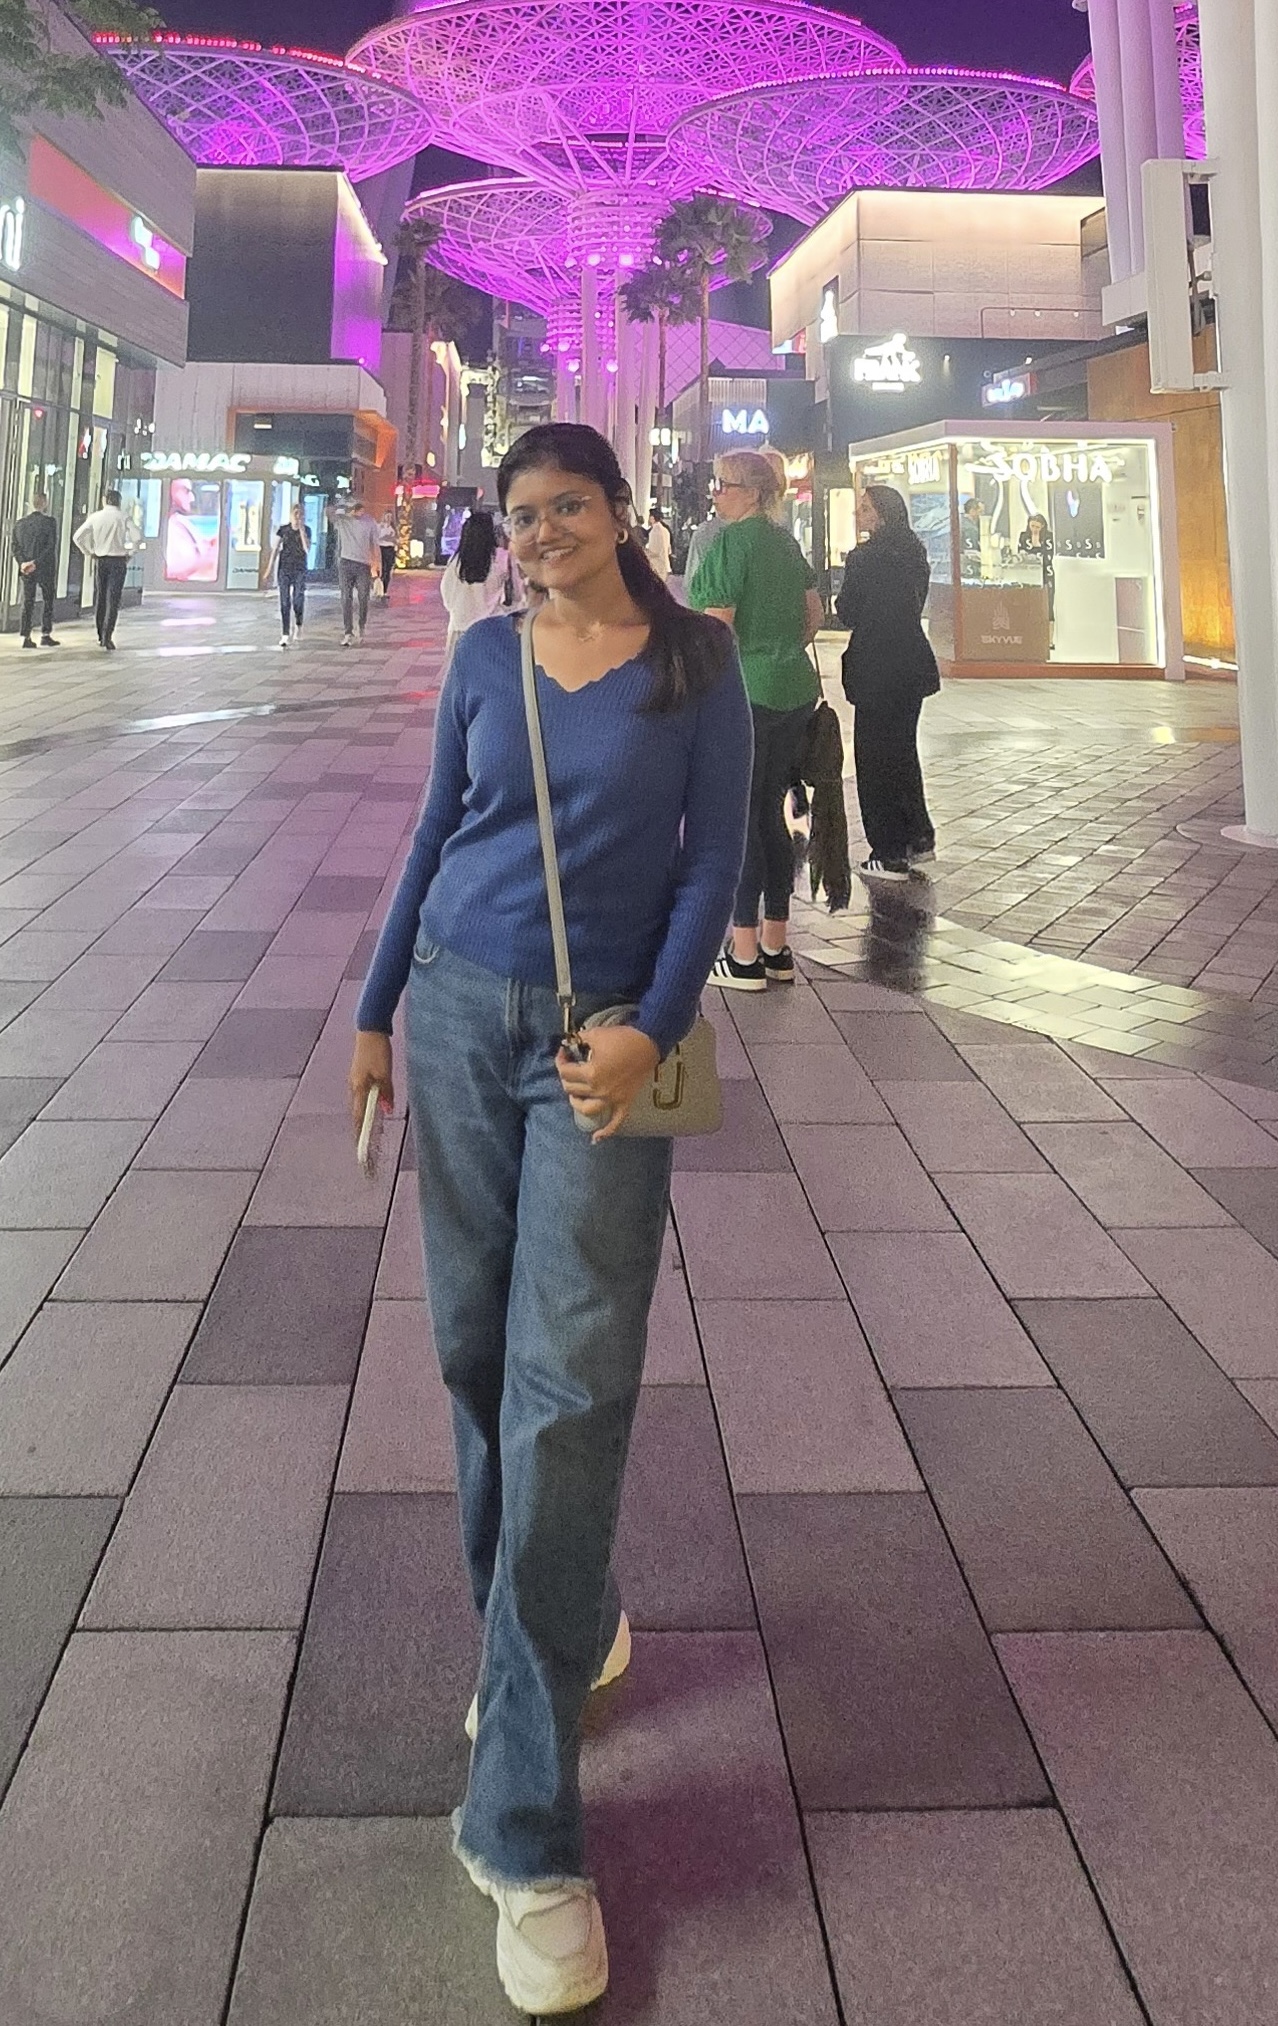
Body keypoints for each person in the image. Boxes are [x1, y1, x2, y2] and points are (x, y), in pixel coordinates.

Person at [349, 421, 751, 2017]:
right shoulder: (483, 658)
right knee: (471, 1351)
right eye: (519, 515)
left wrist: (655, 1024)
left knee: (569, 1385)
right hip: (458, 1012)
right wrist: (374, 1011)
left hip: (602, 1050)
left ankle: (521, 1821)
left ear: (620, 510)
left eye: (566, 505)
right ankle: (556, 1624)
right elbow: (429, 838)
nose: (540, 534)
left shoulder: (695, 663)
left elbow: (711, 864)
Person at [689, 447, 823, 991]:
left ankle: (742, 953)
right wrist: (780, 649)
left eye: (723, 485)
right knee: (770, 812)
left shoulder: (731, 543)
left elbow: (717, 629)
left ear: (751, 492)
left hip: (744, 694)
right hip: (793, 691)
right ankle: (775, 945)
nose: (716, 494)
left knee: (741, 816)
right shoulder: (784, 542)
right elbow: (813, 615)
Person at [835, 484, 940, 882]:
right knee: (902, 751)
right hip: (911, 662)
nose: (858, 514)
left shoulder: (863, 558)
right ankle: (918, 836)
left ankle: (888, 851)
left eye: (865, 508)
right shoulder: (915, 553)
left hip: (877, 664)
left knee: (875, 758)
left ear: (880, 514)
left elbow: (848, 611)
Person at [72, 488, 140, 651]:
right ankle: (107, 636)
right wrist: (130, 553)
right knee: (113, 599)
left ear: (104, 500)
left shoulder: (95, 517)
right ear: (119, 501)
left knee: (101, 597)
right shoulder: (123, 517)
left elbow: (77, 537)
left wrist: (89, 552)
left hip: (101, 560)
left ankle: (99, 634)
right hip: (118, 561)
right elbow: (137, 537)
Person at [440, 507, 511, 661]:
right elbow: (516, 597)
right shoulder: (502, 559)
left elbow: (447, 597)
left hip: (460, 628)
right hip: (492, 629)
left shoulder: (455, 562)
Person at [10, 490, 59, 649]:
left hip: (26, 569)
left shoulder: (20, 524)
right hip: (45, 568)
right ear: (44, 503)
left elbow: (15, 546)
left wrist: (23, 563)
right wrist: (36, 562)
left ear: (31, 503)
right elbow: (50, 546)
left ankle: (26, 636)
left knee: (27, 601)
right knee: (47, 600)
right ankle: (45, 634)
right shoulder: (50, 522)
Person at [329, 496, 380, 646]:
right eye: (354, 508)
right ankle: (348, 632)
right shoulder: (343, 520)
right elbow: (329, 512)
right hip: (346, 562)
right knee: (346, 597)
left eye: (358, 508)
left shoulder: (369, 522)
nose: (357, 511)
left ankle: (361, 625)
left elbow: (375, 545)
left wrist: (377, 566)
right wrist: (343, 507)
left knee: (364, 597)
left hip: (363, 564)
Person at [260, 501, 310, 647]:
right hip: (285, 569)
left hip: (299, 569)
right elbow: (275, 550)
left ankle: (298, 624)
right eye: (295, 514)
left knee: (298, 599)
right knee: (284, 601)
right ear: (291, 515)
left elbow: (307, 549)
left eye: (300, 514)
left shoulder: (307, 530)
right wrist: (269, 569)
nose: (297, 517)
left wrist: (301, 531)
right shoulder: (283, 530)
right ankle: (285, 633)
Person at [1018, 511, 1056, 624]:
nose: (1034, 529)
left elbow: (1048, 555)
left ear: (1042, 526)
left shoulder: (1048, 537)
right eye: (1032, 526)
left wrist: (1037, 545)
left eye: (1037, 527)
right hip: (1029, 573)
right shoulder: (1024, 536)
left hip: (1046, 572)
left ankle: (1048, 625)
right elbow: (1020, 554)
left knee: (1047, 600)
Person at [644, 506, 672, 579]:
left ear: (652, 518)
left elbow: (653, 551)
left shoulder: (654, 532)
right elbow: (669, 550)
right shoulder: (666, 531)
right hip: (666, 566)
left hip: (657, 567)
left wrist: (644, 551)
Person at [376, 512, 398, 598]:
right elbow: (376, 537)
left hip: (390, 548)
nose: (389, 518)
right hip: (381, 548)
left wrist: (393, 539)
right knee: (382, 568)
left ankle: (385, 590)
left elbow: (396, 539)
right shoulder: (380, 526)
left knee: (388, 570)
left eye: (390, 517)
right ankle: (379, 589)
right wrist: (384, 537)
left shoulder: (393, 528)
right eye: (387, 516)